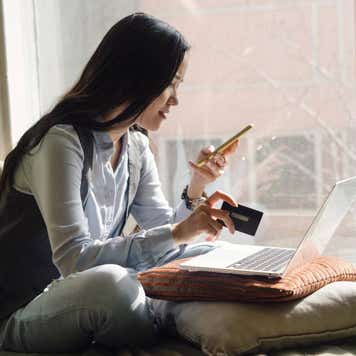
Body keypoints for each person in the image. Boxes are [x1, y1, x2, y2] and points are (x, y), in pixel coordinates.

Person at [0, 12, 238, 352]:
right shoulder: (61, 142)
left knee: (216, 254)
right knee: (113, 287)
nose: (175, 99)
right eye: (171, 83)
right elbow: (74, 260)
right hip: (24, 310)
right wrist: (176, 234)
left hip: (90, 296)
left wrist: (196, 188)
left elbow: (166, 235)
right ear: (136, 78)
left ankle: (165, 315)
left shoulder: (135, 146)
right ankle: (162, 318)